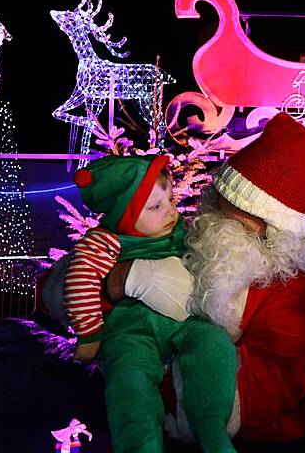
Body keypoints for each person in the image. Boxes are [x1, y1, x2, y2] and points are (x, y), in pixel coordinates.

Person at [105, 113, 305, 441]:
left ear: (272, 227)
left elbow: (261, 390)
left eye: (234, 220)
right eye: (216, 205)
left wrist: (141, 378)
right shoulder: (198, 243)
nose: (212, 226)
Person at [64, 153, 236, 453]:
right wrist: (89, 334)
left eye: (170, 199)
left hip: (184, 319)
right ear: (125, 212)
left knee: (214, 344)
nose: (170, 211)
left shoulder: (180, 229)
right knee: (130, 380)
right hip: (132, 327)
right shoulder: (107, 240)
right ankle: (141, 445)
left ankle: (213, 430)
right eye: (155, 206)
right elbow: (80, 279)